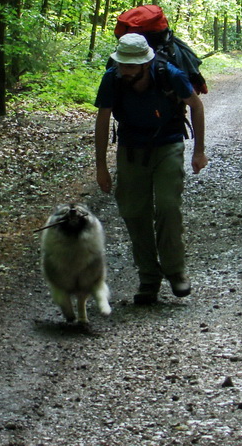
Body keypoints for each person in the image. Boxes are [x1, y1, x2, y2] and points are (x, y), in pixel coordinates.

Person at [94, 32, 208, 304]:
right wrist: (101, 166)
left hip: (168, 144)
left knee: (168, 207)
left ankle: (176, 272)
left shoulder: (170, 74)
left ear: (146, 63)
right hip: (131, 148)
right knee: (134, 213)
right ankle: (148, 278)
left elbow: (196, 105)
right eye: (122, 64)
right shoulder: (112, 78)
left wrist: (199, 150)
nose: (125, 70)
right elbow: (102, 118)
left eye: (131, 65)